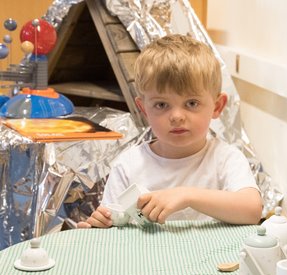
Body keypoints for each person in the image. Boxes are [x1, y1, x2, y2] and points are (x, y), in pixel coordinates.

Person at [79, 34, 262, 228]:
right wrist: (98, 228)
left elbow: (252, 210)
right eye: (161, 104)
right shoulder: (128, 166)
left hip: (214, 258)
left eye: (191, 103)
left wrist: (187, 195)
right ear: (144, 110)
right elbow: (114, 225)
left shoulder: (225, 159)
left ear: (217, 107)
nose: (176, 116)